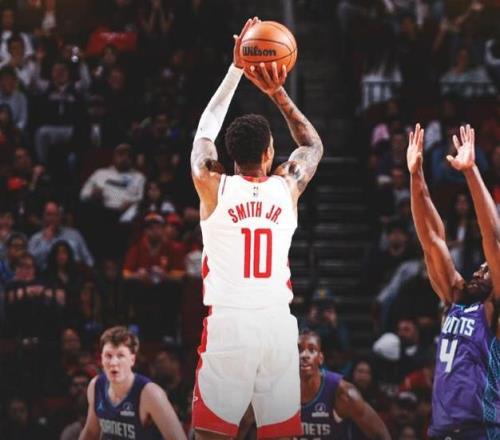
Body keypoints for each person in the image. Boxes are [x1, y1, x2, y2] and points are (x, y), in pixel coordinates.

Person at [190, 17, 324, 439]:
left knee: (210, 434)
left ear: (230, 157)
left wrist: (236, 69)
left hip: (229, 325)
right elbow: (312, 145)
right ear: (269, 154)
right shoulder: (287, 187)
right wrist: (276, 90)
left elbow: (204, 130)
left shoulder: (212, 184)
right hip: (276, 326)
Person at [407, 123, 500, 439]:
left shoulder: (494, 310)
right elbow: (432, 239)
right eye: (479, 268)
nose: (478, 271)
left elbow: (492, 238)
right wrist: (416, 175)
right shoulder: (455, 299)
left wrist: (470, 171)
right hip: (441, 431)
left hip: (482, 430)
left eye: (486, 269)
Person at [78, 326, 186, 439]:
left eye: (120, 356)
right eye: (108, 356)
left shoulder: (150, 393)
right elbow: (91, 432)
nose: (113, 362)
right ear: (101, 359)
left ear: (132, 359)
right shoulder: (96, 386)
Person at [296, 330, 390, 440]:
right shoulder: (281, 392)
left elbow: (381, 435)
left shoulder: (343, 393)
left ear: (320, 358)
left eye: (312, 350)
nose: (304, 355)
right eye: (299, 350)